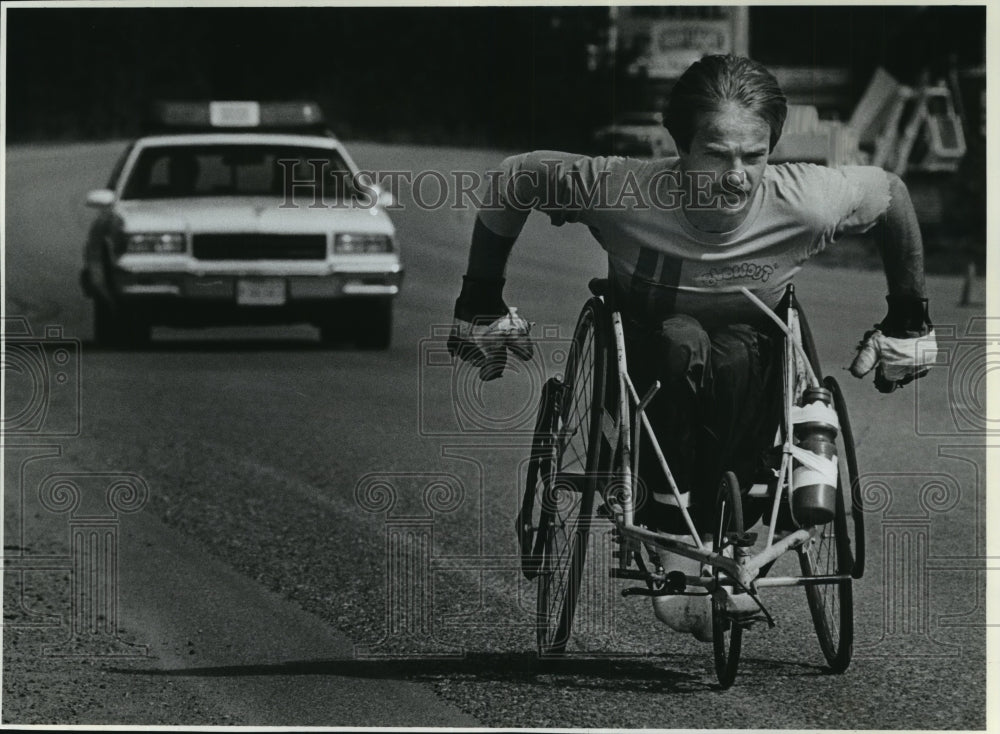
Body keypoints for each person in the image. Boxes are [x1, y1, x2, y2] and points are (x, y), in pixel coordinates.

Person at [447, 54, 938, 639]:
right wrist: (479, 303)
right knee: (684, 341)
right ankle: (671, 522)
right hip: (653, 351)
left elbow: (891, 194)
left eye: (754, 156)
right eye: (717, 154)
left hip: (755, 350)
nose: (737, 175)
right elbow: (517, 178)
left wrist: (909, 321)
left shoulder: (808, 199)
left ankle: (733, 519)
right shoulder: (620, 189)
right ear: (680, 146)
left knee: (732, 351)